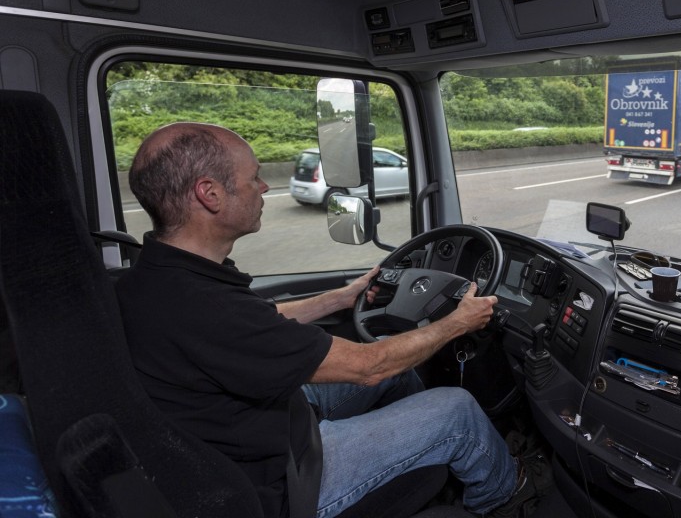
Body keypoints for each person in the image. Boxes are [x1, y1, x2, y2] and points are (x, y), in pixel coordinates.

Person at [116, 122, 543, 518]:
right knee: (455, 409)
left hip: (261, 432)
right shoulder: (205, 304)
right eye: (254, 178)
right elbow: (367, 367)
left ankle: (422, 457)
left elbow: (262, 322)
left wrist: (340, 297)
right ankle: (506, 493)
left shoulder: (160, 276)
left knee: (398, 371)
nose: (264, 187)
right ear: (209, 194)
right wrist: (456, 323)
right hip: (284, 482)